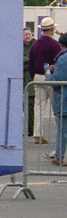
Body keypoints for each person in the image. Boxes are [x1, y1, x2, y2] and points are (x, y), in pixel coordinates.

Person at [29, 17, 60, 144]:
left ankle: (37, 133)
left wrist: (33, 76)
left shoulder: (35, 44)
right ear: (52, 29)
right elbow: (58, 61)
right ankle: (61, 132)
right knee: (57, 105)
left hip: (37, 76)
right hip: (49, 77)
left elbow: (31, 63)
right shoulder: (54, 44)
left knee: (39, 106)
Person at [48, 33, 67, 165]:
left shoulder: (62, 58)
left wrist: (49, 75)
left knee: (62, 130)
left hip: (64, 99)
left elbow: (57, 80)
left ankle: (60, 156)